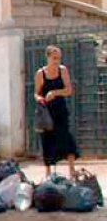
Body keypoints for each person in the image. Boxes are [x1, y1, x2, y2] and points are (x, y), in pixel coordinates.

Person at [35, 45, 79, 177]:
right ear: (48, 57)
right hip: (47, 112)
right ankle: (48, 172)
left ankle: (72, 170)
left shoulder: (63, 70)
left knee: (66, 137)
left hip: (60, 110)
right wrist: (40, 99)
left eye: (59, 58)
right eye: (54, 58)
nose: (57, 61)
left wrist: (54, 92)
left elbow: (69, 90)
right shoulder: (40, 73)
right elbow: (36, 93)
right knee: (47, 140)